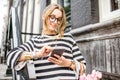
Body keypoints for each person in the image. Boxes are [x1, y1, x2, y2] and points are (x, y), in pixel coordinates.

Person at [6, 4, 86, 80]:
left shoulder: (68, 38)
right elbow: (10, 56)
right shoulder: (35, 41)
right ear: (44, 16)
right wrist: (37, 54)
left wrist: (68, 63)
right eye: (52, 17)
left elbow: (84, 68)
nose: (55, 22)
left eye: (59, 19)